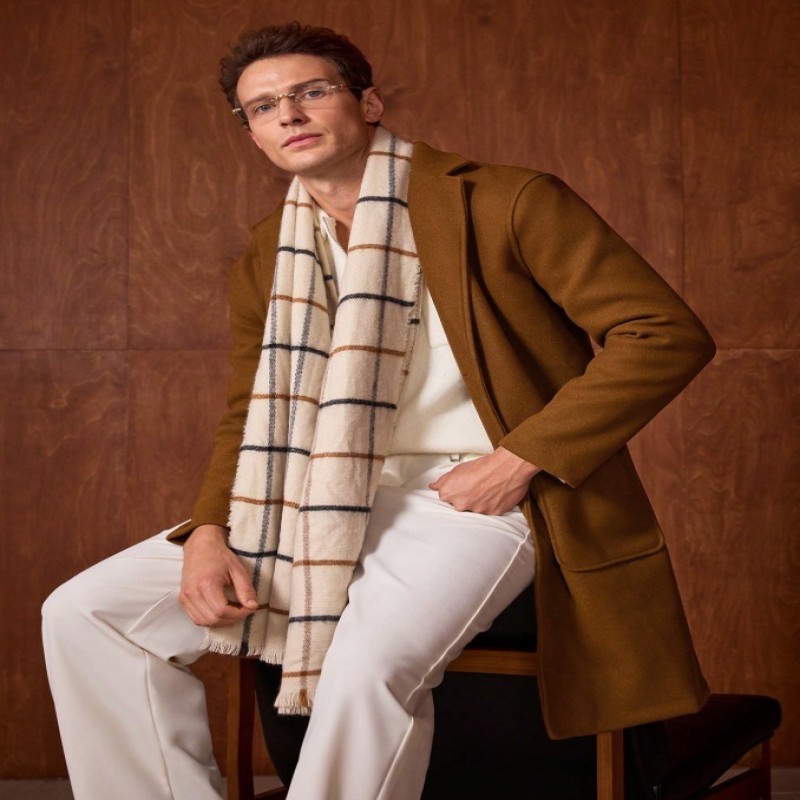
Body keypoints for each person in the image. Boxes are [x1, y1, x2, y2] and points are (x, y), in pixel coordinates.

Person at [43, 21, 715, 800]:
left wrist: (518, 459)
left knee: (364, 667)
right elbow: (250, 408)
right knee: (87, 614)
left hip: (476, 498)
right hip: (314, 495)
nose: (289, 115)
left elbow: (663, 333)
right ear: (252, 133)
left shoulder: (503, 200)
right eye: (263, 107)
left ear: (367, 102)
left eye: (310, 91)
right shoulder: (272, 251)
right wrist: (208, 529)